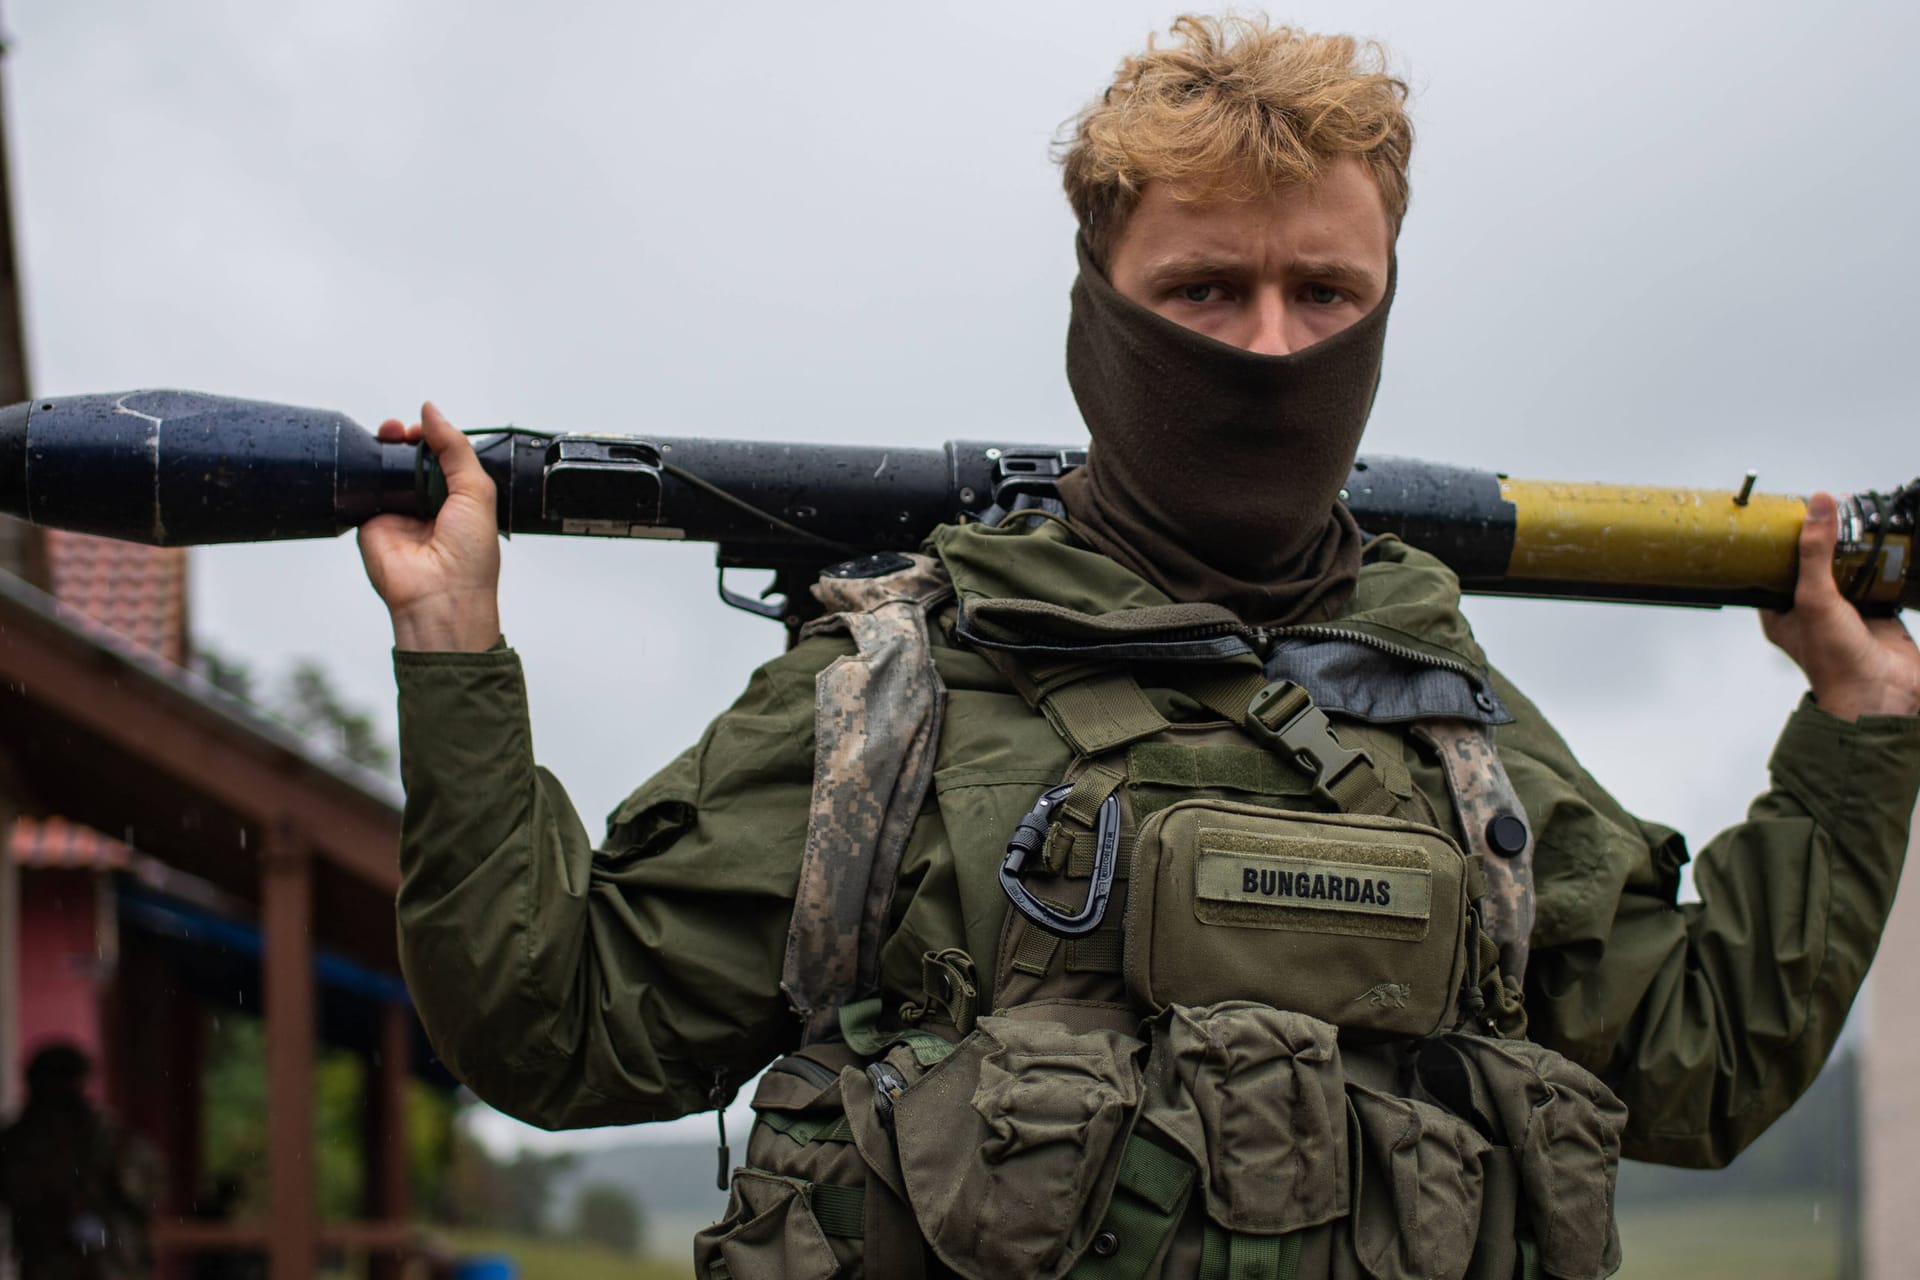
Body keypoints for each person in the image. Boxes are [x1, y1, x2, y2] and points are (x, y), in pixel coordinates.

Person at [359, 16, 1920, 1277]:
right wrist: (455, 646)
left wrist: (1861, 727)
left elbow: (1700, 1061)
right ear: (1099, 310)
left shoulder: (1451, 727)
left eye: (1325, 292)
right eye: (1204, 290)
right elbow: (560, 1030)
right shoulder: (906, 691)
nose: (1267, 347)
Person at [0, 1045, 160, 1280]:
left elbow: (147, 1188)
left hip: (103, 1260)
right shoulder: (20, 1141)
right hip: (51, 1260)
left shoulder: (107, 1138)